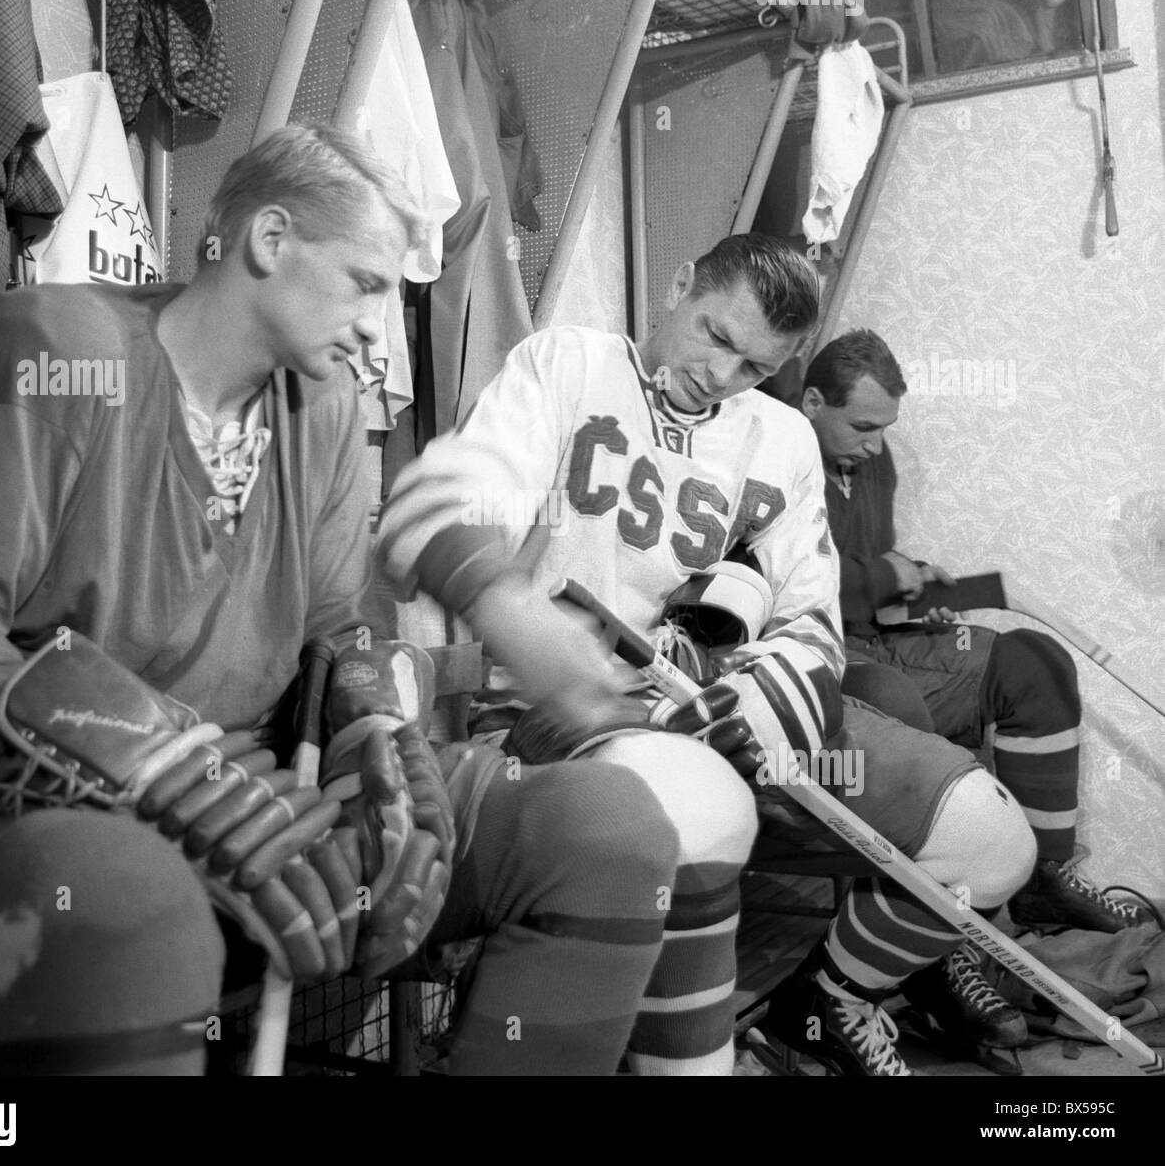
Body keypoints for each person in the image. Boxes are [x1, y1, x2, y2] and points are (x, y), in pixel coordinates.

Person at [0, 124, 696, 1077]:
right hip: (38, 805)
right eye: (369, 283)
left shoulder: (326, 406)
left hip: (262, 799)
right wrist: (162, 765)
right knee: (130, 900)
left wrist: (386, 749)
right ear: (267, 239)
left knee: (609, 827)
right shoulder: (56, 345)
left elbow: (339, 633)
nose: (381, 329)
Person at [379, 233, 1036, 1077]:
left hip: (741, 722)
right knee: (698, 806)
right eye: (717, 336)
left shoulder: (786, 440)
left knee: (990, 841)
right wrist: (515, 610)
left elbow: (810, 620)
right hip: (569, 720)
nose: (722, 376)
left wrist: (754, 706)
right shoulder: (568, 364)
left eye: (755, 367)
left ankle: (829, 999)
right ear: (680, 284)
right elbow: (452, 503)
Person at [800, 330, 1151, 1054]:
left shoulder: (869, 459)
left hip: (871, 629)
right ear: (810, 402)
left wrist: (912, 594)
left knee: (1036, 663)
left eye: (885, 430)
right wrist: (878, 582)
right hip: (821, 651)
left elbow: (870, 574)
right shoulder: (777, 452)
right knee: (902, 708)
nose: (875, 447)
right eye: (863, 427)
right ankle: (934, 940)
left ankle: (1034, 879)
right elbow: (798, 588)